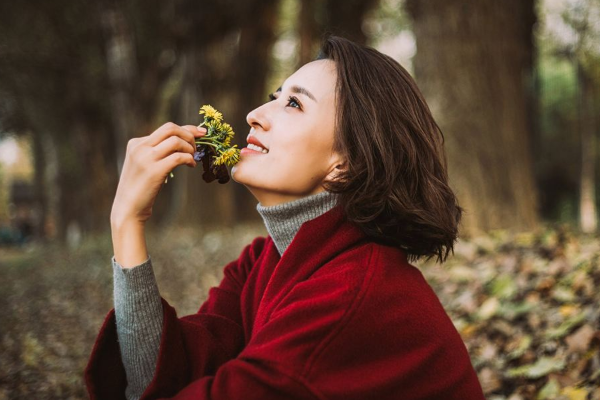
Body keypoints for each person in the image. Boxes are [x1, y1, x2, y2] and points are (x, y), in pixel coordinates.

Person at [84, 35, 486, 400]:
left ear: (344, 166)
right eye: (274, 96)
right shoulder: (263, 262)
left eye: (294, 103)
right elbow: (169, 372)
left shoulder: (351, 298)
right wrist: (127, 223)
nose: (255, 114)